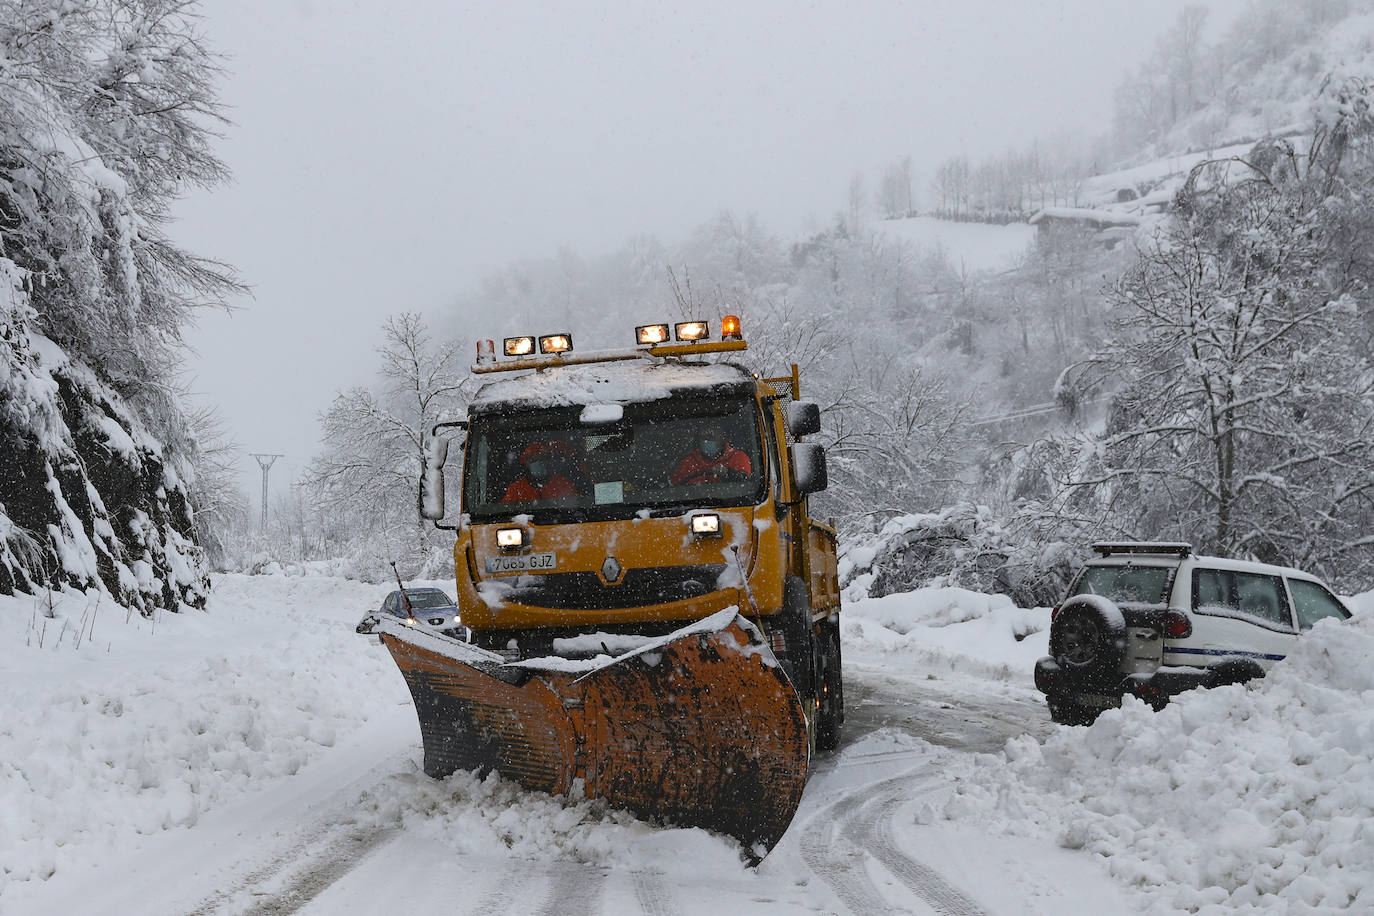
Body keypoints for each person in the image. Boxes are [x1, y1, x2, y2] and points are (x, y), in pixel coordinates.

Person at [671, 422, 751, 486]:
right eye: (703, 437)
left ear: (722, 438)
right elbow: (674, 488)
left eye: (711, 437)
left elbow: (744, 483)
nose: (706, 441)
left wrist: (728, 473)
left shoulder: (738, 458)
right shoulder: (688, 461)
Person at [503, 440, 579, 501]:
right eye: (534, 459)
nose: (539, 462)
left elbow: (575, 506)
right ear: (526, 462)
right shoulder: (515, 489)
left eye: (543, 458)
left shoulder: (563, 484)